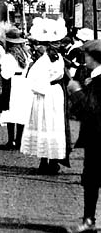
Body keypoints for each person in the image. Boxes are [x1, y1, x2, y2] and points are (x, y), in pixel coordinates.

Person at [20, 18, 69, 175]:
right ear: (48, 45)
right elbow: (34, 80)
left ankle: (53, 160)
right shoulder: (42, 61)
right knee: (46, 124)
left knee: (54, 125)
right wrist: (46, 88)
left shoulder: (58, 58)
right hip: (46, 95)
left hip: (55, 94)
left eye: (58, 43)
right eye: (54, 43)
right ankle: (44, 161)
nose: (57, 46)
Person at [67, 39, 101, 232]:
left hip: (97, 137)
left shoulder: (98, 81)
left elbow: (89, 110)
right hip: (96, 136)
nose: (84, 58)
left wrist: (76, 92)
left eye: (86, 55)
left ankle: (89, 221)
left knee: (92, 179)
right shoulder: (94, 78)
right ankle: (89, 220)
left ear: (93, 57)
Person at [0, 27, 32, 149]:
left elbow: (6, 74)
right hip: (24, 83)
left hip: (12, 85)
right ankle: (19, 141)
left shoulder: (8, 56)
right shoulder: (26, 54)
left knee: (11, 112)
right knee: (21, 113)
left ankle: (10, 141)